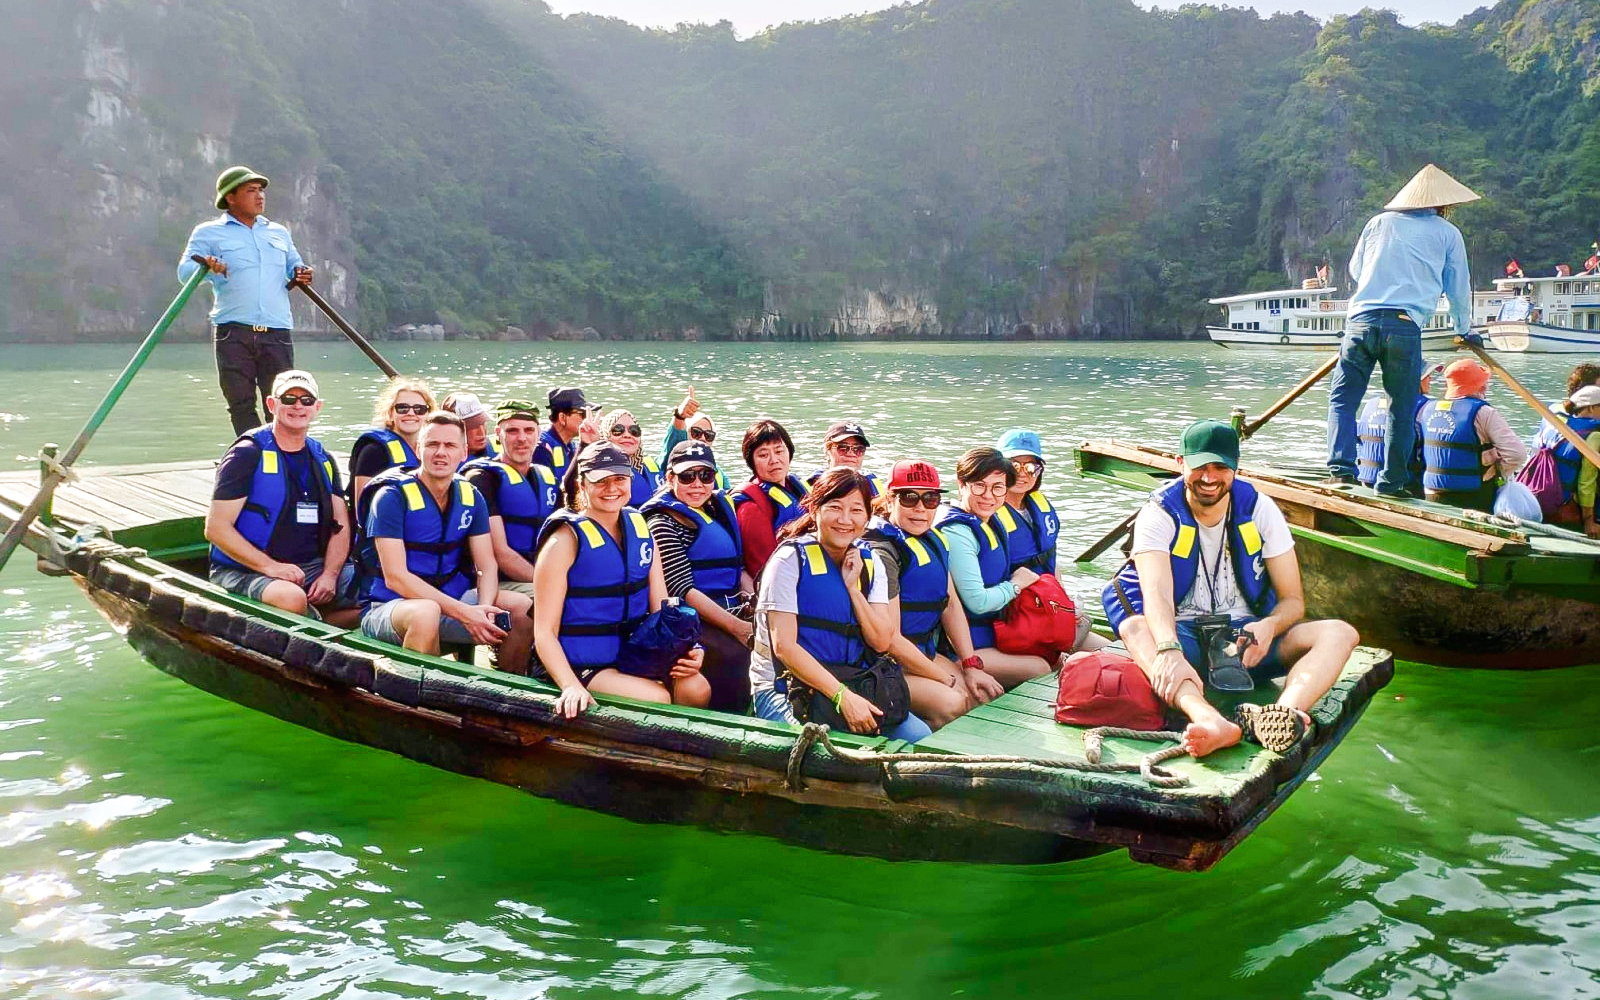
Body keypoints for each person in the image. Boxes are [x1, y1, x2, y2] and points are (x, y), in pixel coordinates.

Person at [1104, 420, 1359, 757]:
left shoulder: (1259, 509)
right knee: (1136, 627)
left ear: (1236, 468)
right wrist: (1168, 649)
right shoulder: (1159, 513)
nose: (1209, 478)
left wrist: (1269, 627)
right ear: (1181, 464)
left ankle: (1284, 714)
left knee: (1340, 633)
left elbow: (1293, 601)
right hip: (1184, 637)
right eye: (1199, 467)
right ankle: (1209, 719)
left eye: (1220, 467)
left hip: (1244, 640)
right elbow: (1157, 594)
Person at [1326, 164, 1479, 497]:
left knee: (1343, 399)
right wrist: (1464, 329)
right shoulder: (1447, 233)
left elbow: (1356, 270)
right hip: (1404, 326)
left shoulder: (1377, 223)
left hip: (1360, 323)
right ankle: (1392, 482)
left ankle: (1340, 472)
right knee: (1401, 405)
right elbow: (1457, 286)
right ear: (1443, 205)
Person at [748, 468, 932, 743]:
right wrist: (841, 697)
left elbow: (882, 641)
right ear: (814, 510)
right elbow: (784, 647)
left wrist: (853, 589)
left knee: (919, 736)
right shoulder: (789, 560)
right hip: (785, 688)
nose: (845, 520)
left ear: (867, 517)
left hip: (855, 680)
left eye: (856, 510)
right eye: (835, 507)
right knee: (830, 748)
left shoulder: (870, 562)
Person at [531, 443, 710, 719]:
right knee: (657, 697)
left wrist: (692, 649)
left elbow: (664, 611)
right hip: (580, 662)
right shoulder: (563, 541)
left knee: (696, 688)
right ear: (581, 485)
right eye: (600, 481)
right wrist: (569, 685)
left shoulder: (641, 529)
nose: (611, 488)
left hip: (632, 652)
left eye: (619, 479)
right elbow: (544, 633)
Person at [357, 412, 535, 668]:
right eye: (432, 444)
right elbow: (395, 577)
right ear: (419, 449)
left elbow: (486, 564)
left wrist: (483, 608)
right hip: (391, 608)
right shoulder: (390, 498)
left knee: (520, 608)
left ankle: (508, 687)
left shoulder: (471, 496)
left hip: (451, 601)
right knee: (425, 612)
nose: (441, 452)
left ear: (463, 452)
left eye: (450, 445)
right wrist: (465, 614)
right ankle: (417, 695)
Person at [205, 370, 357, 626]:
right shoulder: (246, 454)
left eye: (306, 400)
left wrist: (330, 575)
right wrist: (271, 567)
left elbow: (340, 524)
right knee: (290, 598)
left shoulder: (322, 458)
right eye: (289, 398)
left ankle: (327, 625)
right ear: (272, 404)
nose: (298, 406)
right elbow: (216, 528)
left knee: (377, 587)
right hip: (246, 569)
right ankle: (321, 626)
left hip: (311, 566)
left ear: (317, 407)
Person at [864, 460, 1005, 729]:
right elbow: (891, 638)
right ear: (890, 500)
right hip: (886, 664)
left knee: (981, 695)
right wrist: (942, 678)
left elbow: (949, 604)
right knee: (952, 703)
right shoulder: (883, 553)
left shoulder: (935, 540)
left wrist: (971, 665)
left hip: (924, 652)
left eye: (930, 499)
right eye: (909, 498)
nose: (920, 508)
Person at [179, 166, 314, 435]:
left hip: (276, 330)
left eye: (261, 190)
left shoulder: (279, 233)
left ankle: (282, 454)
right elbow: (184, 273)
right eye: (251, 190)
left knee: (280, 402)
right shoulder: (208, 233)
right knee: (240, 402)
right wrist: (206, 266)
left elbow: (295, 268)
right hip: (233, 331)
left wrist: (304, 274)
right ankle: (251, 455)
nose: (260, 196)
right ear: (231, 198)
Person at [641, 441, 754, 712]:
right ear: (670, 478)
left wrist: (754, 604)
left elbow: (737, 569)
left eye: (705, 476)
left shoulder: (715, 509)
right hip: (694, 620)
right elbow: (681, 588)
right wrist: (738, 628)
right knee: (736, 656)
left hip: (733, 610)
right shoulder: (662, 522)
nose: (697, 484)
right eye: (687, 476)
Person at [934, 448, 1059, 687]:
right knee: (1041, 668)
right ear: (961, 484)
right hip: (965, 646)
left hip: (996, 633)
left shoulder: (991, 521)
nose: (988, 496)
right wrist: (1016, 585)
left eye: (997, 487)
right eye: (979, 486)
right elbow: (977, 602)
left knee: (1056, 653)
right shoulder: (957, 532)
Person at [461, 400, 560, 597]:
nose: (521, 438)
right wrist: (549, 582)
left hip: (539, 574)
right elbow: (501, 553)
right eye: (512, 431)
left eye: (529, 430)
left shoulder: (545, 477)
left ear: (538, 434)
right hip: (497, 582)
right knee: (556, 599)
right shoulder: (482, 479)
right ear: (498, 434)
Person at [1420, 359, 1527, 511]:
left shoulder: (1428, 409)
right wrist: (1496, 472)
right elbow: (1517, 455)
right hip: (1473, 495)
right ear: (1479, 386)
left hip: (1432, 493)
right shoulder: (1484, 412)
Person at [733, 418, 811, 578]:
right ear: (751, 461)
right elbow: (764, 566)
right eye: (763, 455)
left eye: (779, 451)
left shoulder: (796, 488)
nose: (774, 460)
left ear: (789, 451)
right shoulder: (751, 507)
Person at [349, 377, 433, 513]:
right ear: (390, 412)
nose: (411, 413)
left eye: (419, 409)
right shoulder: (373, 452)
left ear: (428, 413)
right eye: (402, 408)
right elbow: (362, 508)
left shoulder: (431, 450)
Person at [1354, 364, 1442, 489]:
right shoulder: (1426, 407)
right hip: (1403, 484)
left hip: (1366, 478)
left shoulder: (1371, 404)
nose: (1430, 380)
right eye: (1427, 376)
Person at [994, 428, 1062, 575]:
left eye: (1031, 467)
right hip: (1013, 592)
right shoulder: (987, 511)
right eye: (1014, 466)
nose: (1022, 474)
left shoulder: (1040, 505)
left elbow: (1052, 555)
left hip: (1047, 590)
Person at [657, 385, 730, 490]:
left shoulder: (720, 476)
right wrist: (680, 416)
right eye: (696, 432)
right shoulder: (669, 462)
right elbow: (675, 440)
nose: (703, 438)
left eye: (709, 435)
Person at [596, 408, 664, 505]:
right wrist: (587, 444)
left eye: (634, 431)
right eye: (618, 430)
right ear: (605, 435)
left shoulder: (648, 467)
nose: (627, 435)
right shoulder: (597, 470)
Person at [805, 421, 882, 496]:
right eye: (843, 448)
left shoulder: (873, 485)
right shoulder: (810, 488)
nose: (851, 454)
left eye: (858, 449)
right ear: (827, 452)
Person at [533, 387, 597, 473]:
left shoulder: (572, 446)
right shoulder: (541, 448)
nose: (587, 419)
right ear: (562, 418)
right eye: (583, 414)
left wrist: (592, 445)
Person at [1565, 386, 1600, 538]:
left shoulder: (1563, 425)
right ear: (1591, 407)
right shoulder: (1595, 435)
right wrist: (1588, 520)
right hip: (1576, 508)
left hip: (1554, 501)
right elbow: (1586, 481)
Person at [442, 392, 496, 463]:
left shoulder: (503, 448)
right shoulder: (440, 462)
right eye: (473, 426)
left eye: (483, 423)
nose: (481, 432)